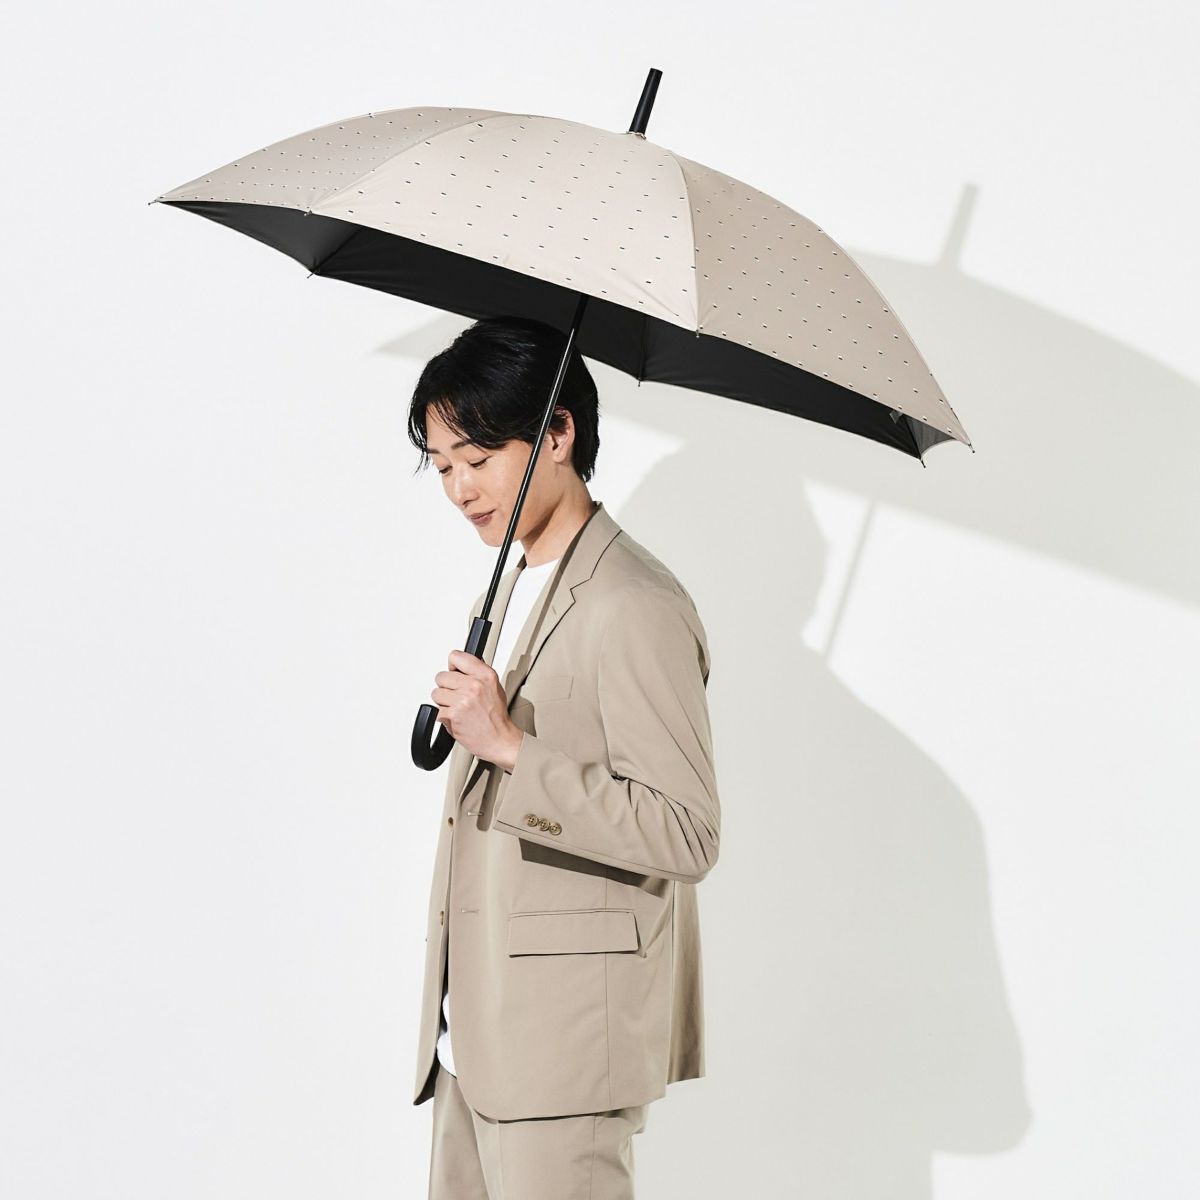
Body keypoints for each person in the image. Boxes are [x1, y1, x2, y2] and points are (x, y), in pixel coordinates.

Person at [407, 316, 720, 1199]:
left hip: (565, 1052)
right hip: (474, 1037)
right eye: (442, 466)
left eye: (477, 458)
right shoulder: (513, 583)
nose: (460, 489)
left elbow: (687, 831)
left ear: (557, 435)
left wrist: (511, 747)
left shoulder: (635, 603)